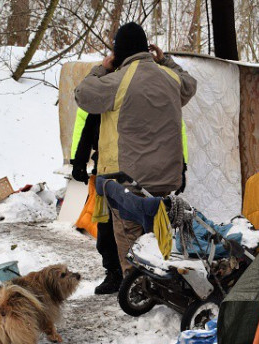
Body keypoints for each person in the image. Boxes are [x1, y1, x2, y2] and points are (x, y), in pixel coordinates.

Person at [74, 22, 197, 275]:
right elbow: (189, 84)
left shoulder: (117, 81)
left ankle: (139, 287)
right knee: (159, 231)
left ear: (119, 53)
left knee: (130, 239)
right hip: (165, 178)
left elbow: (83, 95)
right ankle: (163, 282)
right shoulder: (171, 78)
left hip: (128, 178)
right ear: (147, 48)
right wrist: (166, 62)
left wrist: (101, 68)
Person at [70, 108, 124, 294]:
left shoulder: (142, 90)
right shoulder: (101, 94)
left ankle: (138, 273)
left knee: (135, 223)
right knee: (105, 223)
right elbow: (85, 127)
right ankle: (114, 272)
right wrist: (78, 161)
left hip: (136, 167)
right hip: (105, 167)